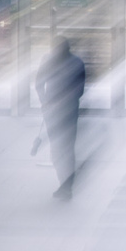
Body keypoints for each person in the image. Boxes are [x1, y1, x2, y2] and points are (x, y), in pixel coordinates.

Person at [37, 37, 87, 200]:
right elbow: (80, 90)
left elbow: (39, 83)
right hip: (70, 111)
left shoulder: (48, 61)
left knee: (57, 148)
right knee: (68, 148)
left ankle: (64, 184)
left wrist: (45, 101)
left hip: (53, 112)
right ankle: (67, 186)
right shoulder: (77, 62)